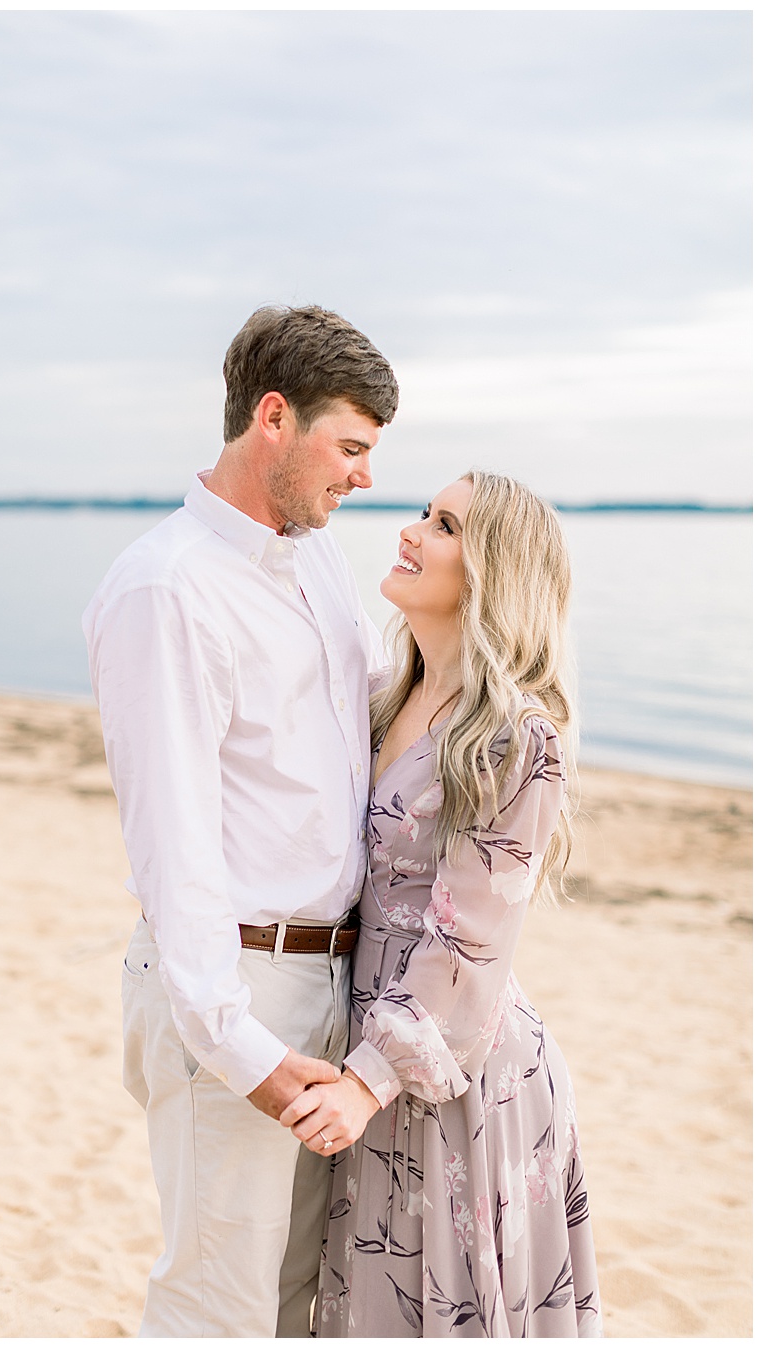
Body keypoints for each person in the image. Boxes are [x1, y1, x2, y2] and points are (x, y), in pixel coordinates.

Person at [83, 304, 399, 1336]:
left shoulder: (318, 559)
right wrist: (239, 1045)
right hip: (239, 984)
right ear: (273, 418)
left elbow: (366, 718)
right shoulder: (166, 589)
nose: (364, 476)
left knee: (297, 1302)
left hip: (334, 977)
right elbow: (172, 845)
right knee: (216, 1308)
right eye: (349, 447)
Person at [283, 472, 600, 1336]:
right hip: (362, 1047)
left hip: (450, 1071)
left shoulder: (515, 737)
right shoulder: (381, 696)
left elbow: (472, 942)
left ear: (496, 571)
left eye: (446, 525)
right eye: (425, 513)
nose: (413, 531)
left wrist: (369, 1080)